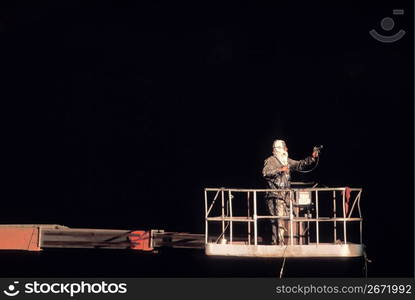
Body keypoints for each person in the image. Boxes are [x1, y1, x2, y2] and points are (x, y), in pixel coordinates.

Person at [262, 139, 319, 245]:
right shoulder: (271, 160)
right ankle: (277, 242)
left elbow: (299, 164)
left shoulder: (286, 161)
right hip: (274, 195)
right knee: (277, 219)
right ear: (279, 149)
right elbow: (265, 173)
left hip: (285, 195)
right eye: (285, 147)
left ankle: (284, 241)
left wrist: (312, 158)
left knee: (285, 216)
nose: (286, 149)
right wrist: (280, 170)